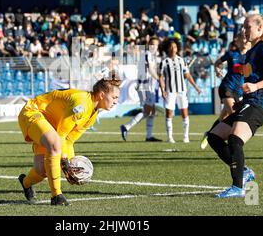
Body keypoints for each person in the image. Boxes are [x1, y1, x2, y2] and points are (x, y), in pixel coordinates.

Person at [207, 14, 263, 198]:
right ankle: (245, 171)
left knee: (235, 139)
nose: (244, 30)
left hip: (258, 106)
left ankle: (238, 187)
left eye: (247, 27)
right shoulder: (250, 52)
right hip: (248, 103)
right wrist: (242, 99)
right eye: (243, 26)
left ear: (260, 29)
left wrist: (256, 86)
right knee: (214, 137)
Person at [17, 73, 121, 206]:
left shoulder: (92, 114)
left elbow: (69, 140)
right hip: (33, 111)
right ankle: (56, 196)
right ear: (101, 95)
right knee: (55, 144)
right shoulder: (82, 104)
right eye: (114, 97)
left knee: (43, 170)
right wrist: (65, 160)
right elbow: (61, 135)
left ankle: (25, 183)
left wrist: (70, 165)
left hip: (51, 124)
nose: (116, 101)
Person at [200, 35, 251, 150]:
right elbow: (217, 63)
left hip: (239, 91)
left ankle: (209, 134)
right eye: (242, 39)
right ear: (238, 42)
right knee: (234, 115)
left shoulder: (251, 57)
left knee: (224, 118)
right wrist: (218, 71)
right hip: (226, 87)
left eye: (246, 40)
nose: (245, 41)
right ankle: (232, 145)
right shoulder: (231, 54)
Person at [159, 39, 202, 143]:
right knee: (169, 113)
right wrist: (163, 90)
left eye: (175, 47)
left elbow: (187, 74)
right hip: (170, 91)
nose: (173, 49)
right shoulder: (164, 62)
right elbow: (160, 77)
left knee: (184, 113)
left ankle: (186, 137)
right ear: (167, 48)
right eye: (171, 47)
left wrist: (196, 87)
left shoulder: (182, 60)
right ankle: (170, 137)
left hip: (182, 91)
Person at [120, 37, 162, 142]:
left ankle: (149, 136)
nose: (153, 46)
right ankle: (127, 127)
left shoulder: (152, 56)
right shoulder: (147, 54)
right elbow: (151, 69)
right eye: (152, 44)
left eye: (155, 44)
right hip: (145, 86)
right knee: (148, 110)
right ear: (149, 44)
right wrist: (159, 79)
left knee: (151, 111)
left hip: (149, 86)